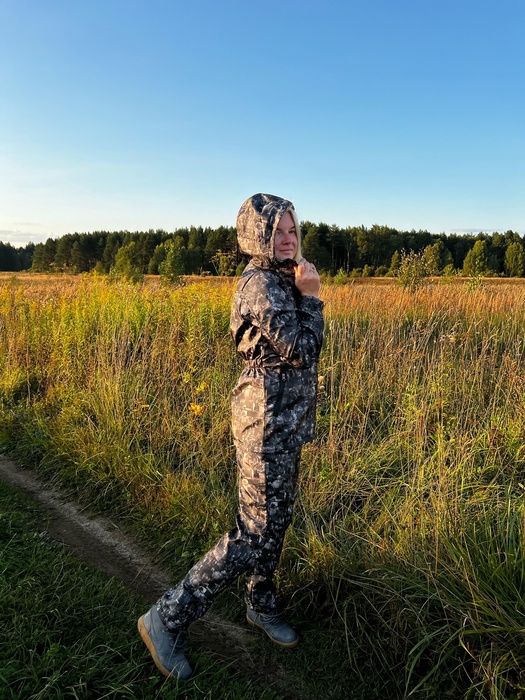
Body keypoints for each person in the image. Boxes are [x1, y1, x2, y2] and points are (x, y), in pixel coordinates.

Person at [138, 193, 324, 680]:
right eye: (278, 232)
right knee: (252, 534)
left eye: (293, 231)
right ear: (257, 236)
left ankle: (260, 604)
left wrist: (302, 291)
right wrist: (314, 297)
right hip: (262, 424)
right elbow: (304, 349)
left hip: (285, 422)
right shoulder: (260, 285)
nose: (288, 240)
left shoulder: (284, 280)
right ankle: (167, 617)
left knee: (276, 521)